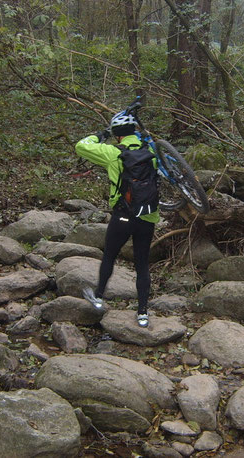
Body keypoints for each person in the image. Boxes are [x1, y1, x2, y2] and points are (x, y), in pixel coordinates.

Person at [75, 111, 159, 327]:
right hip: (147, 215)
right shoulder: (151, 150)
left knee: (110, 255)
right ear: (134, 132)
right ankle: (142, 313)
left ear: (117, 135)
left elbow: (81, 146)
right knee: (142, 264)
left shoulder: (113, 152)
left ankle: (99, 297)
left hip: (123, 215)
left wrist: (99, 136)